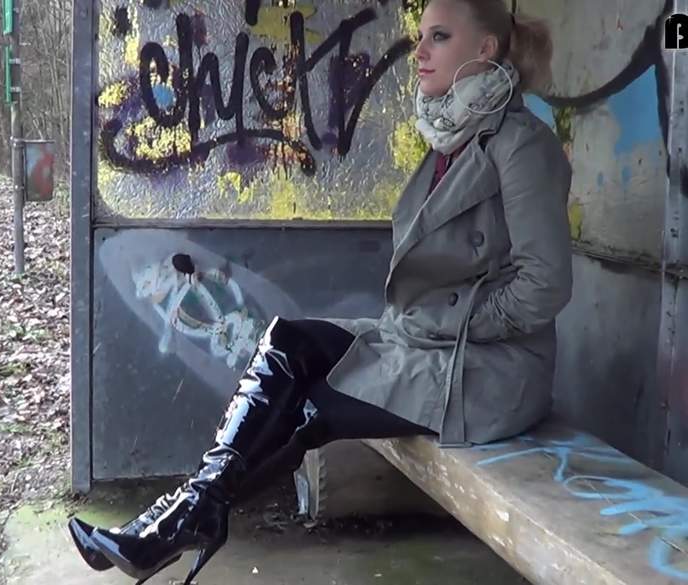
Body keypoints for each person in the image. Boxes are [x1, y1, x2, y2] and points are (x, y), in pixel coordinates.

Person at [68, 0, 573, 583]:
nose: (419, 52)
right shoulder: (450, 135)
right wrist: (431, 322)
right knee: (288, 341)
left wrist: (451, 321)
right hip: (426, 339)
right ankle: (190, 512)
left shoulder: (521, 145)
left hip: (488, 370)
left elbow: (544, 286)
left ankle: (176, 523)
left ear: (484, 50)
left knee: (312, 402)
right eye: (421, 36)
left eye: (439, 37)